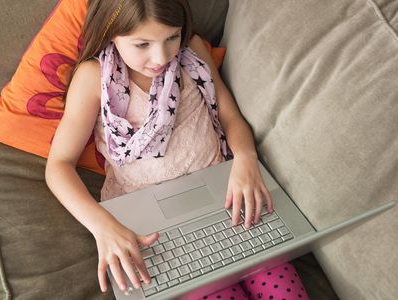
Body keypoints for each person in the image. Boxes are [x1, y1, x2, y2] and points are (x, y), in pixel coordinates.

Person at [46, 0, 309, 299]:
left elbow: (229, 116)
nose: (160, 57)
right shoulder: (93, 77)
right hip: (148, 213)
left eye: (171, 37)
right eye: (142, 44)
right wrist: (102, 226)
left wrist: (246, 159)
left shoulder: (192, 50)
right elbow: (59, 165)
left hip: (224, 190)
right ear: (111, 33)